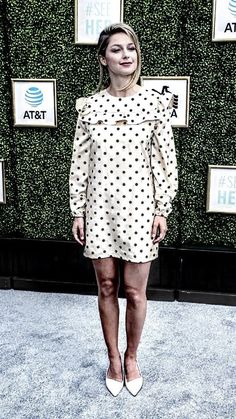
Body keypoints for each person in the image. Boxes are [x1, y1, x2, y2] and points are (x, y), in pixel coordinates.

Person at [69, 22, 178, 397]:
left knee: (134, 291)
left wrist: (162, 208)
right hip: (99, 209)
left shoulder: (155, 103)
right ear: (103, 58)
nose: (126, 54)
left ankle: (132, 357)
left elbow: (165, 161)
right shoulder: (89, 107)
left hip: (140, 210)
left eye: (130, 48)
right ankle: (112, 358)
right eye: (116, 49)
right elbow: (80, 162)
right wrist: (77, 210)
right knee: (107, 287)